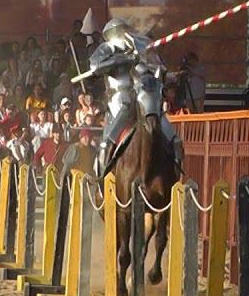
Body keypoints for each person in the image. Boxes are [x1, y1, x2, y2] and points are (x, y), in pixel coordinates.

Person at [79, 18, 184, 178]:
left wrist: (170, 76)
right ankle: (103, 168)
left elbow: (154, 70)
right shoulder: (108, 48)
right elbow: (96, 66)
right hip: (120, 96)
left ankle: (175, 170)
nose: (123, 33)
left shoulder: (138, 48)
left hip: (140, 93)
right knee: (123, 111)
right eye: (119, 30)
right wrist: (125, 59)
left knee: (167, 131)